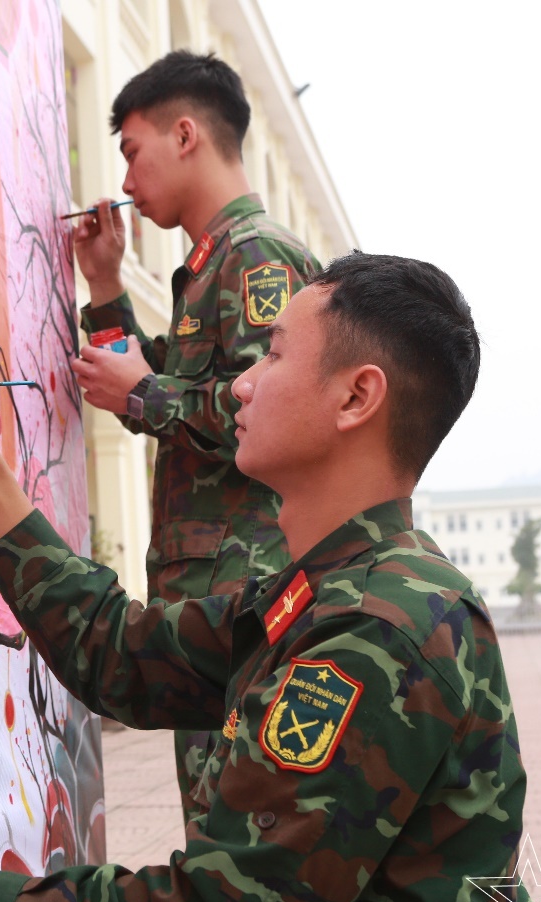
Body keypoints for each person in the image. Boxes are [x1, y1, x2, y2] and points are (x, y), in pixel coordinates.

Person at [0, 253, 540, 902]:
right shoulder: (337, 590)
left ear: (356, 397)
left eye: (273, 355)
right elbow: (118, 652)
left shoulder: (374, 628)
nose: (242, 385)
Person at [69, 50, 320, 823]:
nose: (124, 181)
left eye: (131, 151)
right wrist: (105, 286)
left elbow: (272, 409)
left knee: (240, 828)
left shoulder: (256, 256)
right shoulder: (211, 265)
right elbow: (157, 387)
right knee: (217, 821)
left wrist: (145, 392)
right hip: (211, 604)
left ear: (184, 135)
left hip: (247, 592)